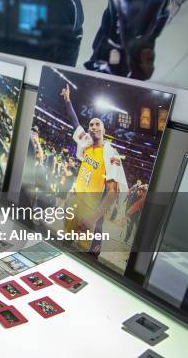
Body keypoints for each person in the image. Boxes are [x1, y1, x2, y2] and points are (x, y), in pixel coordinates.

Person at [60, 84, 128, 254]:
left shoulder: (111, 153)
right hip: (76, 201)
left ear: (104, 129)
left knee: (84, 254)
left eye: (98, 124)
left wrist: (93, 219)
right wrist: (68, 100)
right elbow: (75, 123)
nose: (94, 127)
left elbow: (112, 192)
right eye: (91, 125)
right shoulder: (86, 144)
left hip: (91, 209)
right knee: (65, 243)